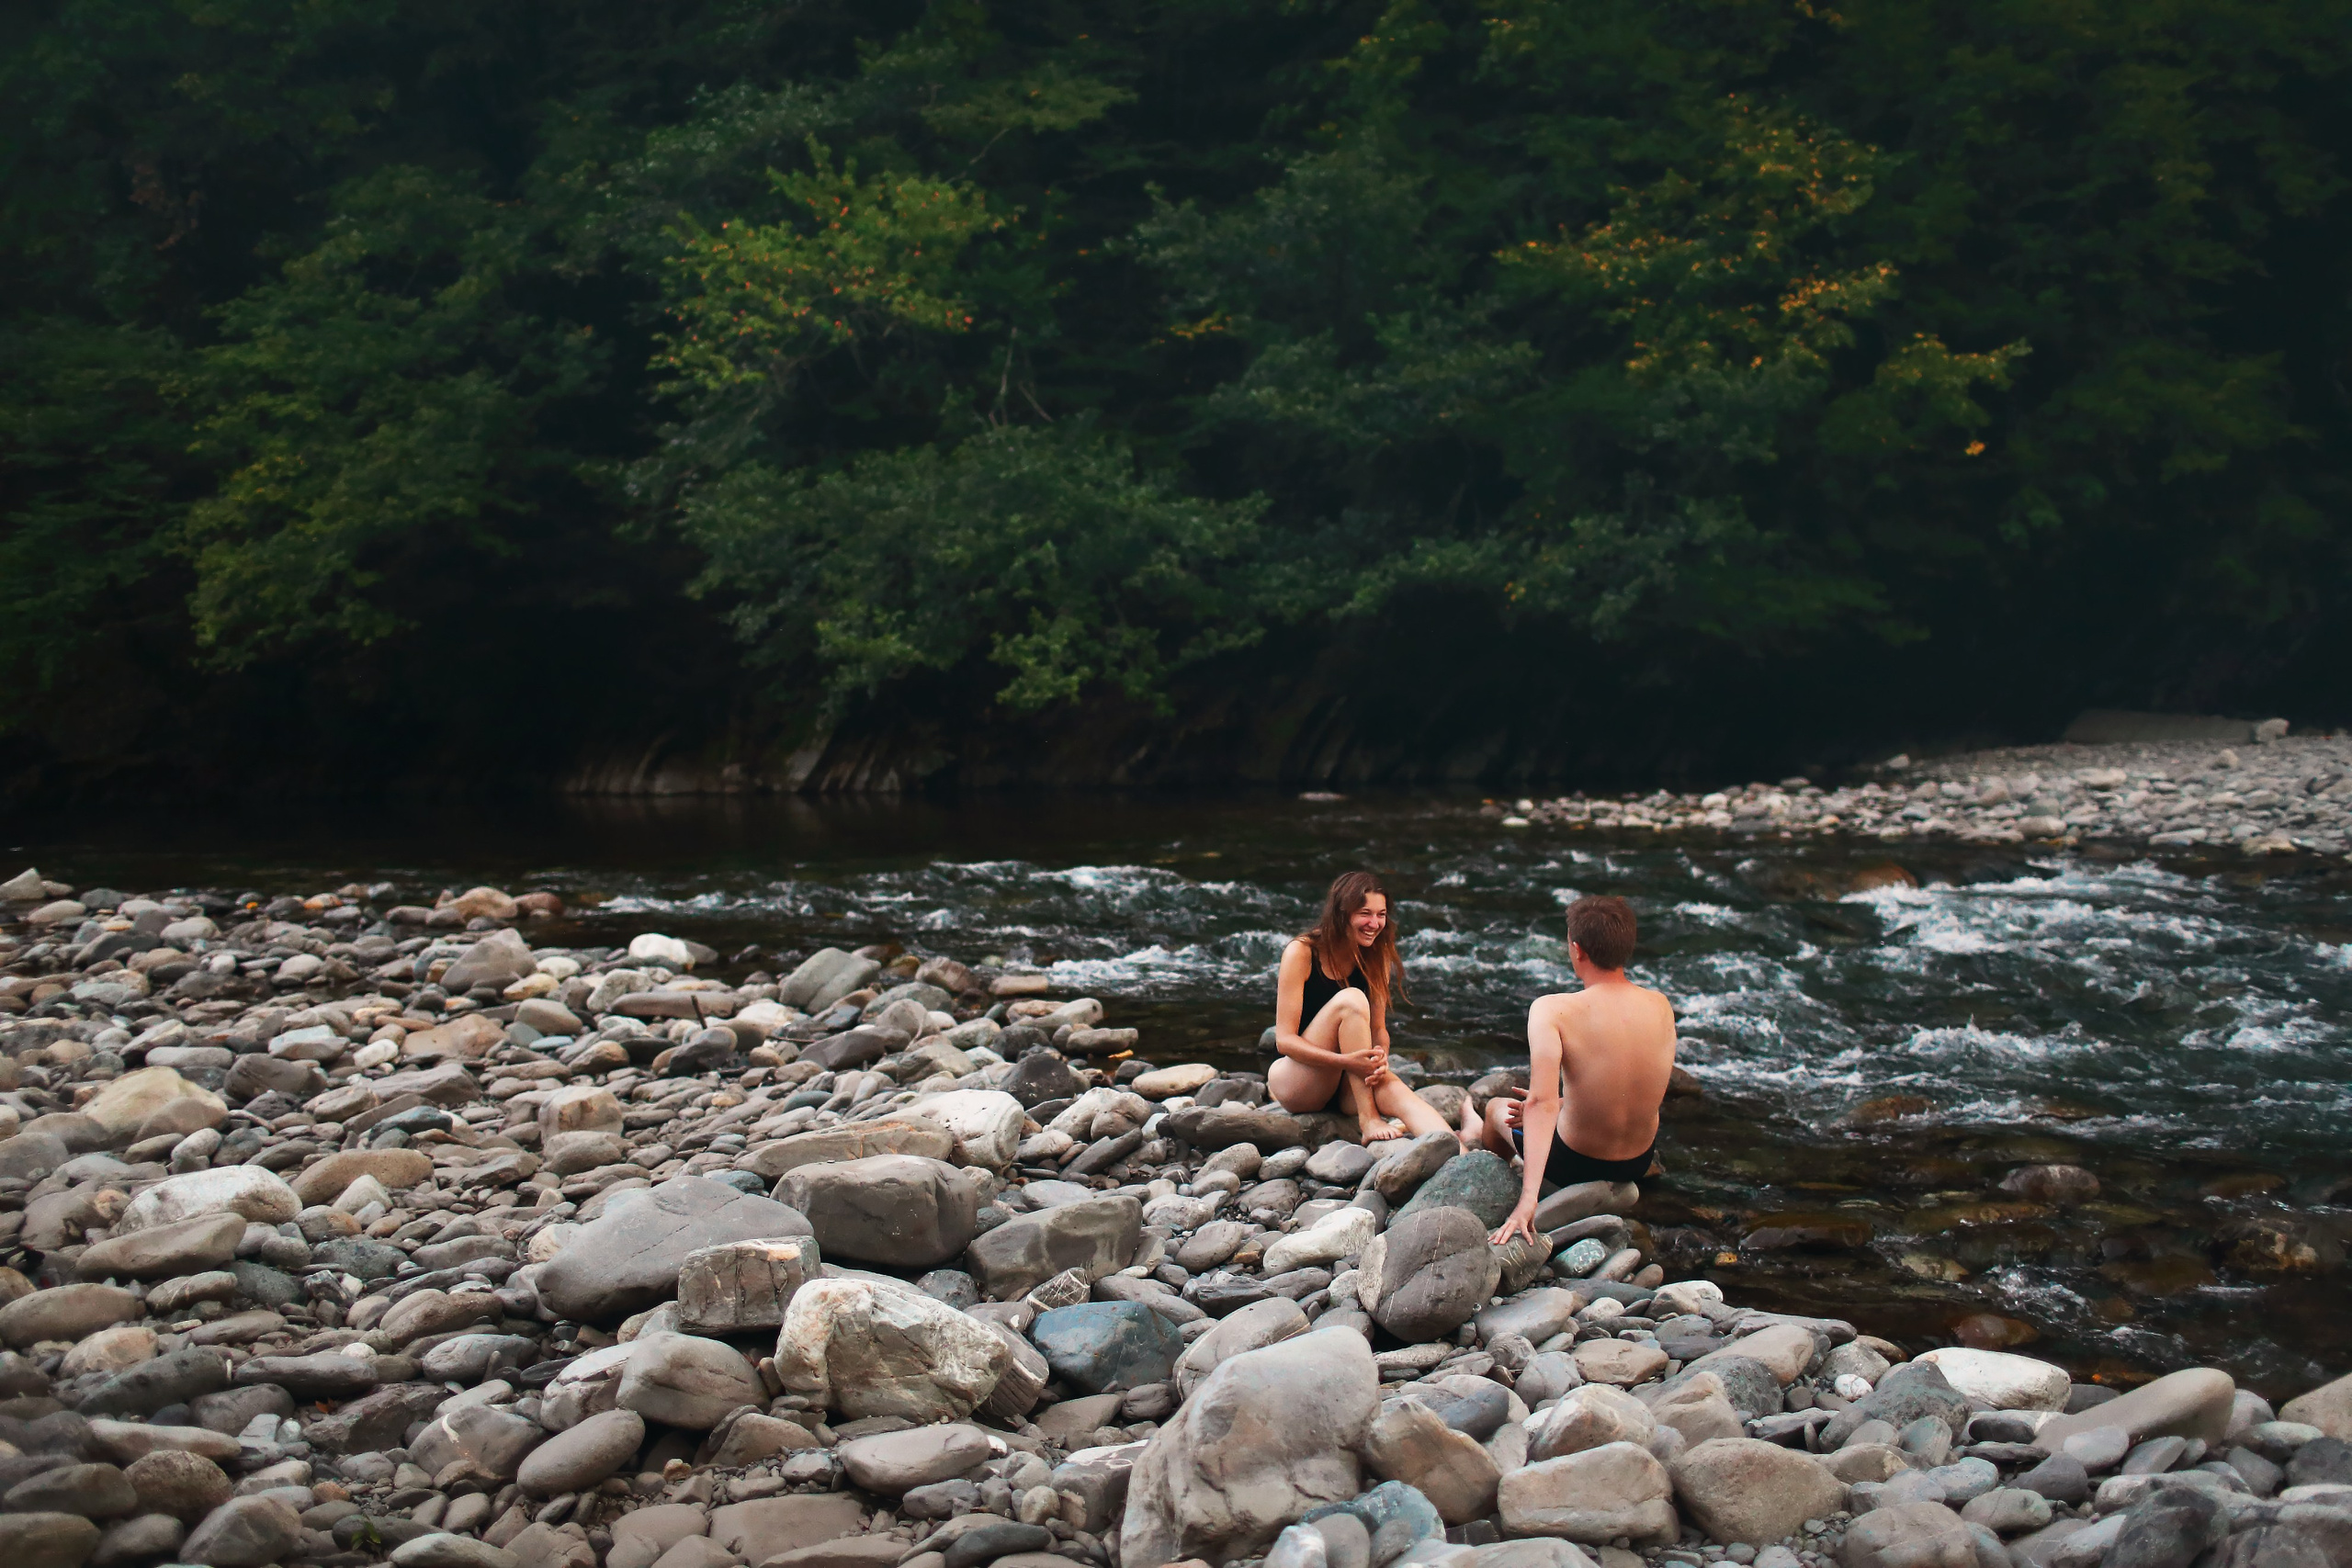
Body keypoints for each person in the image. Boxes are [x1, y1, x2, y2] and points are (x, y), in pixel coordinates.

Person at [1474, 894, 1676, 1245]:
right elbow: (1633, 1082)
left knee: (1494, 1110)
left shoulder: (1552, 1010)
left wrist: (1528, 1201)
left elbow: (1541, 1103)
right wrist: (1563, 1105)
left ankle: (1501, 1182)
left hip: (1577, 1163)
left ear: (1577, 950)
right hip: (1636, 1162)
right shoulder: (1660, 1005)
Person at [1268, 870, 1455, 1144]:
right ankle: (1368, 1121)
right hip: (1300, 1082)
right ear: (1341, 913)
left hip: (1348, 1084)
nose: (1375, 923)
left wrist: (1380, 1059)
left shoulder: (1376, 955)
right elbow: (1284, 1041)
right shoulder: (1302, 951)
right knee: (1352, 1000)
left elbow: (1378, 1029)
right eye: (1365, 913)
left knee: (1397, 1090)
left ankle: (1462, 1155)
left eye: (1381, 914)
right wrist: (1346, 1062)